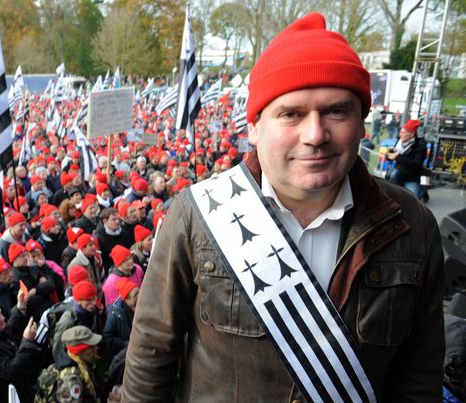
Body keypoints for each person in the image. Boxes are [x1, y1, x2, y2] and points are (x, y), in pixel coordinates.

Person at [123, 13, 444, 402]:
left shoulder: (412, 225)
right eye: (291, 114)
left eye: (336, 111)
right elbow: (151, 357)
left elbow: (418, 375)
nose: (315, 135)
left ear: (363, 123)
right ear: (255, 126)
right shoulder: (196, 216)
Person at [39, 325, 102, 403]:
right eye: (92, 346)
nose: (96, 348)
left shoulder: (80, 364)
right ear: (80, 351)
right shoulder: (71, 379)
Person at [386, 119, 428, 201]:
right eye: (400, 132)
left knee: (412, 200)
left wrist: (398, 157)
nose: (400, 135)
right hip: (398, 174)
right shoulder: (399, 142)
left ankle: (423, 192)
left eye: (403, 132)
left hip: (411, 177)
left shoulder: (420, 146)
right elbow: (392, 159)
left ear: (412, 134)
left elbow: (416, 164)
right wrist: (389, 155)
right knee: (389, 196)